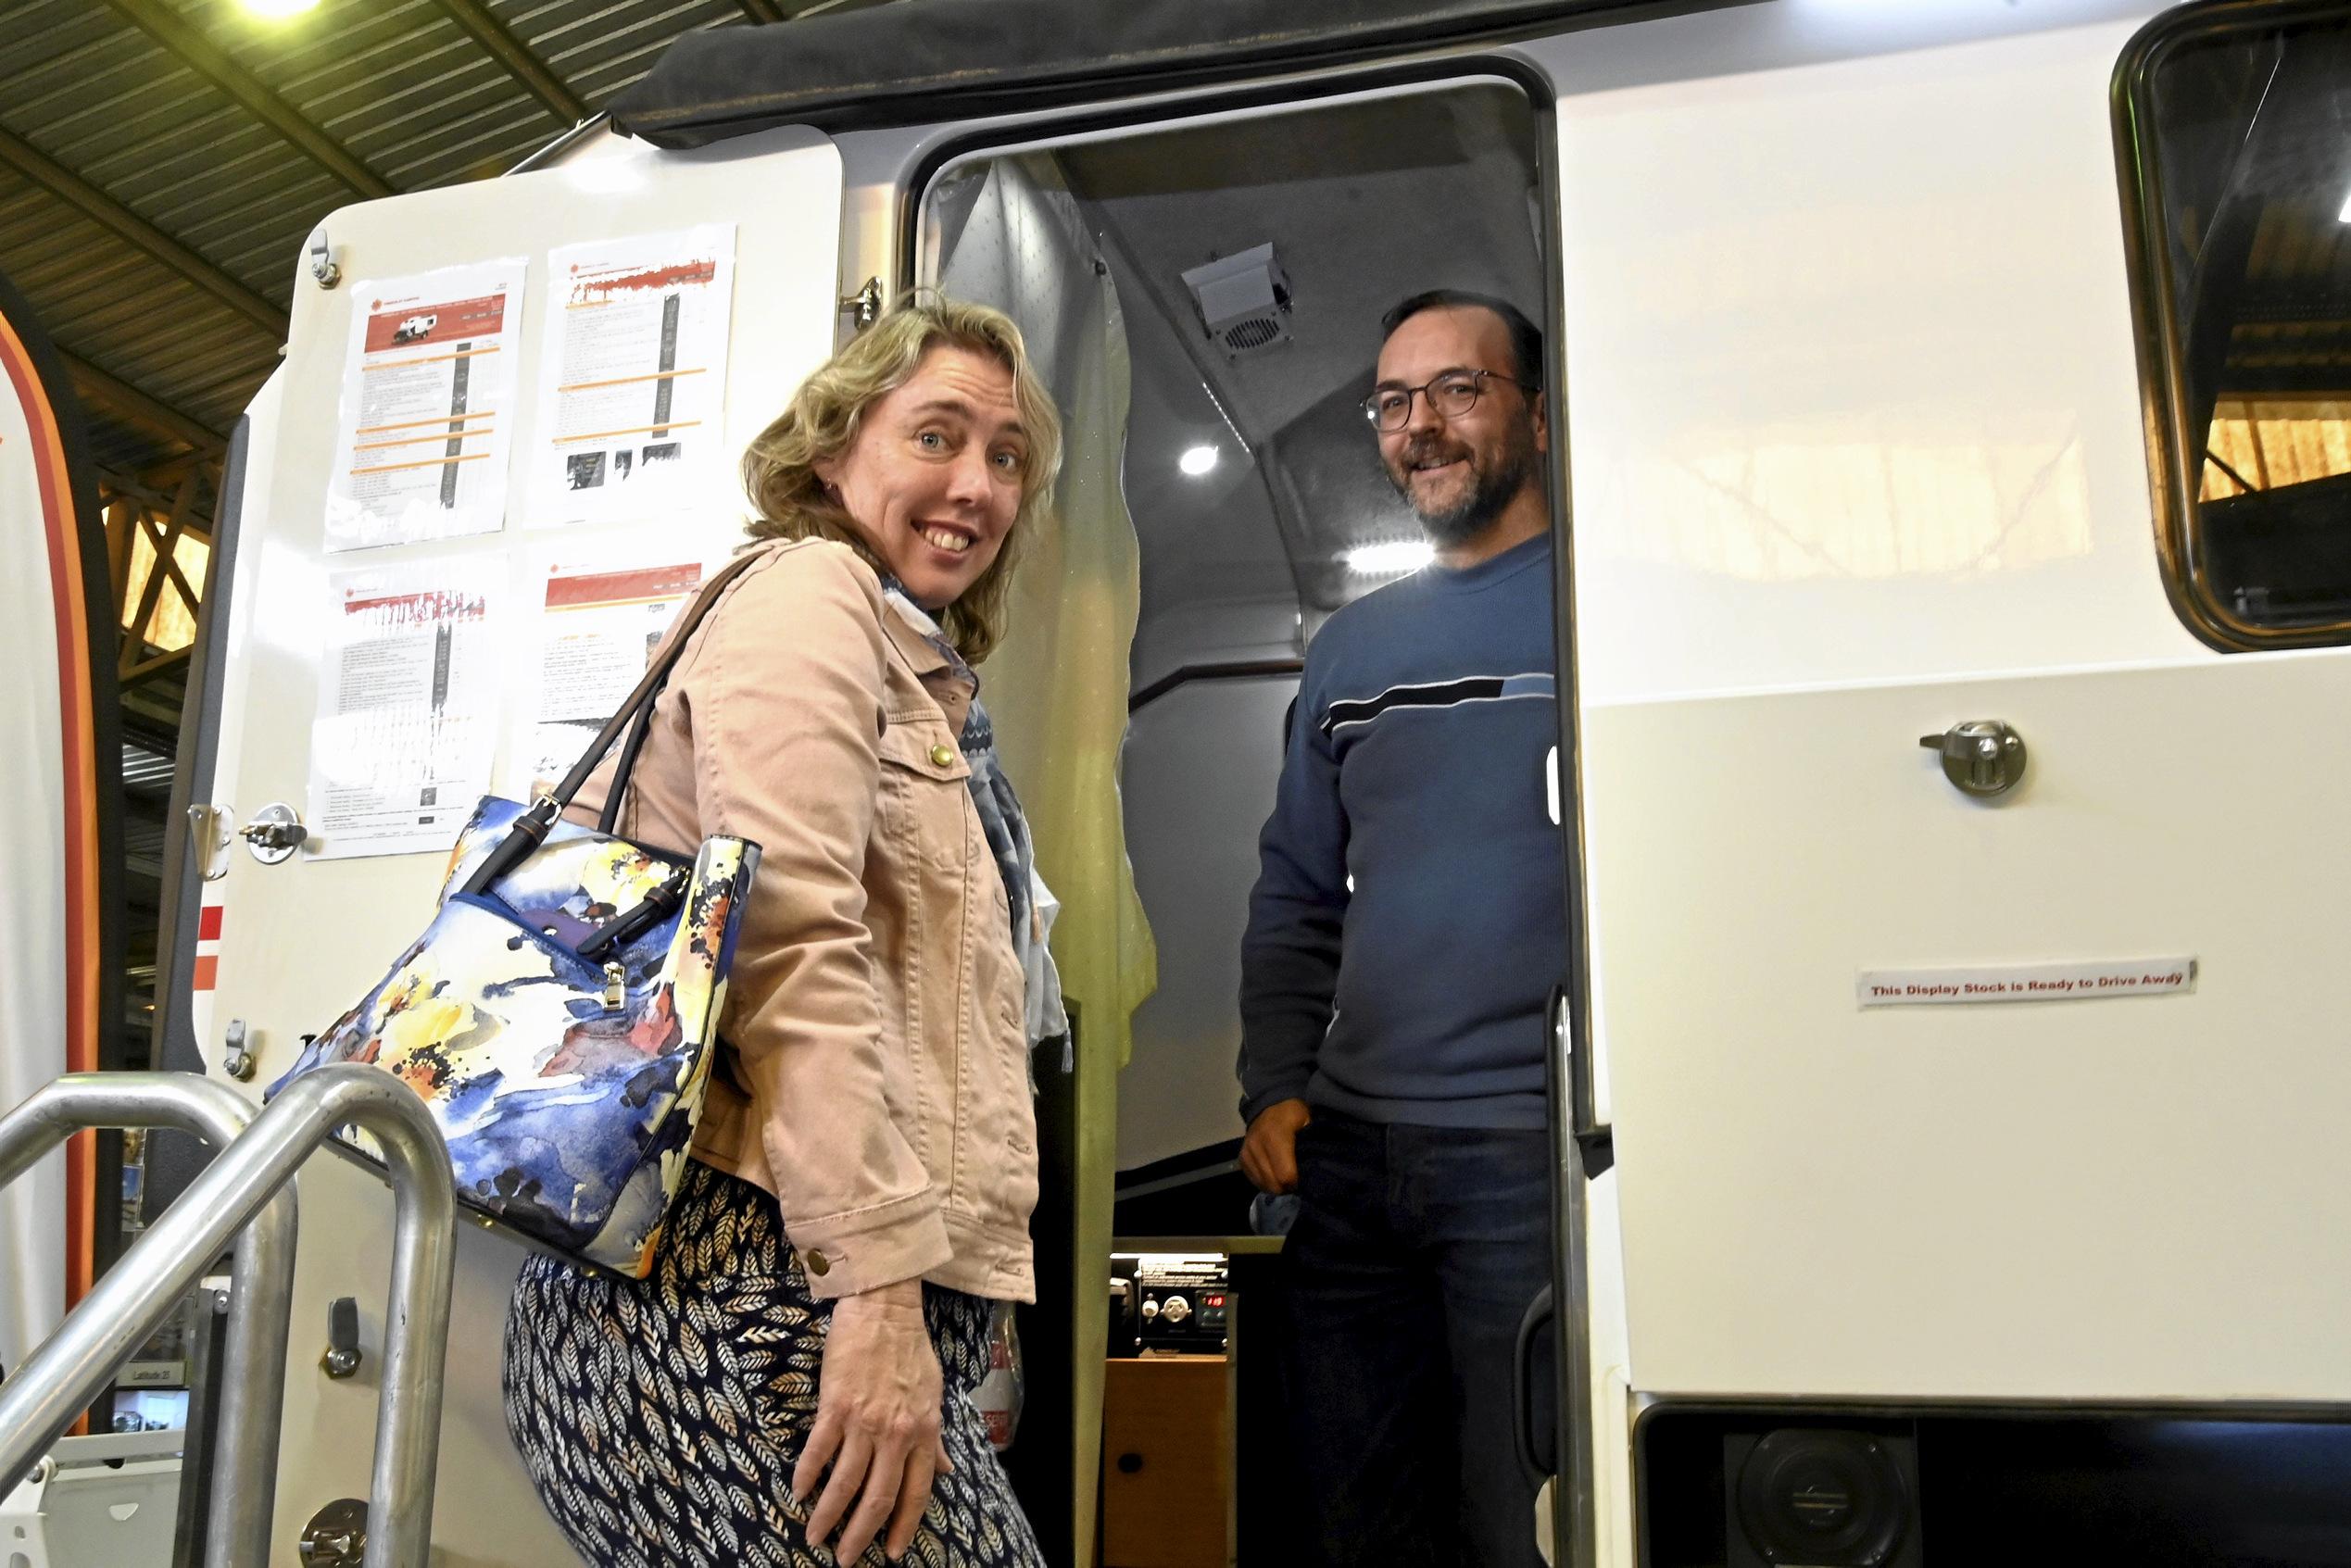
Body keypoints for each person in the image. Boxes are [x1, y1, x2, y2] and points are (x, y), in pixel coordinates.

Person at [502, 295, 1062, 1568]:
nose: (975, 483)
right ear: (832, 452)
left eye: (1007, 455)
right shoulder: (811, 590)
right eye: (936, 435)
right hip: (739, 1296)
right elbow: (787, 938)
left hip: (781, 1282)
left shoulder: (922, 679)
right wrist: (875, 1294)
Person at [1237, 288, 1565, 1567]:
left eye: (1458, 390)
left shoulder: (1602, 611)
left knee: (1524, 1520)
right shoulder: (1350, 647)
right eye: (1393, 400)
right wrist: (1270, 1080)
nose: (1420, 425)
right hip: (1351, 1159)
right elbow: (1295, 889)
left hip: (1529, 1152)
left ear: (1532, 414)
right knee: (1356, 1521)